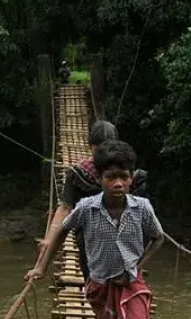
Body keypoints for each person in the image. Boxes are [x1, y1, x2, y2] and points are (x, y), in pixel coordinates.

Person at [25, 141, 164, 319]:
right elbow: (62, 233)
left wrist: (138, 266)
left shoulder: (142, 207)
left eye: (124, 177)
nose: (118, 183)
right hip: (98, 282)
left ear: (131, 178)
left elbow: (158, 237)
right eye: (110, 177)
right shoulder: (86, 208)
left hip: (132, 284)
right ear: (99, 179)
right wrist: (41, 268)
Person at [38, 119, 149, 278]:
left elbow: (147, 224)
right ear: (90, 147)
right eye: (99, 150)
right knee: (97, 291)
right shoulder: (79, 175)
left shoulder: (131, 177)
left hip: (125, 247)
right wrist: (48, 241)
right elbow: (65, 209)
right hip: (91, 245)